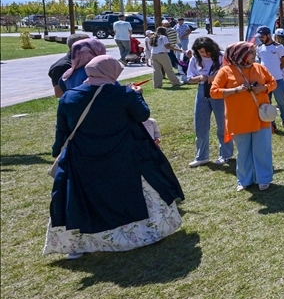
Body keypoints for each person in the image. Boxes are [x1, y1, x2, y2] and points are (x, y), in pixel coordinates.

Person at [44, 55, 185, 259]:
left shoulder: (70, 96)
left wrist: (57, 150)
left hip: (83, 157)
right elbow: (142, 115)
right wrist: (137, 94)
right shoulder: (124, 93)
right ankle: (137, 236)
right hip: (121, 154)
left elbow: (62, 129)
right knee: (127, 194)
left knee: (83, 198)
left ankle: (79, 245)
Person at [210, 42, 277, 192]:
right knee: (243, 152)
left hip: (261, 117)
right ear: (240, 55)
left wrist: (264, 88)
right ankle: (244, 180)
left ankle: (264, 179)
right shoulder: (226, 71)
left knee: (262, 150)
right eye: (251, 53)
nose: (254, 55)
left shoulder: (259, 68)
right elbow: (214, 92)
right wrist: (235, 90)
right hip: (238, 119)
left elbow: (272, 83)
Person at [186, 37, 234, 167]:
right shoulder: (194, 59)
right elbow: (189, 78)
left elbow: (230, 72)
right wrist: (201, 77)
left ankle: (226, 154)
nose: (205, 54)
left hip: (219, 90)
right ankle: (201, 156)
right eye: (201, 52)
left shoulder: (221, 56)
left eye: (207, 51)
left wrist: (216, 77)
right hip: (202, 90)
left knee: (222, 124)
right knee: (200, 124)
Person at [256, 26, 284, 132]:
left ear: (268, 35)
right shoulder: (259, 48)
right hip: (264, 82)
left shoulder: (279, 47)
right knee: (267, 102)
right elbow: (260, 62)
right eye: (259, 37)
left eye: (262, 37)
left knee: (281, 101)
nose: (261, 39)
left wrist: (276, 70)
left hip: (277, 80)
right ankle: (271, 122)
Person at [48, 33, 89, 97]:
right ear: (73, 47)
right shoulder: (61, 67)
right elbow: (59, 93)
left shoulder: (89, 61)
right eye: (87, 44)